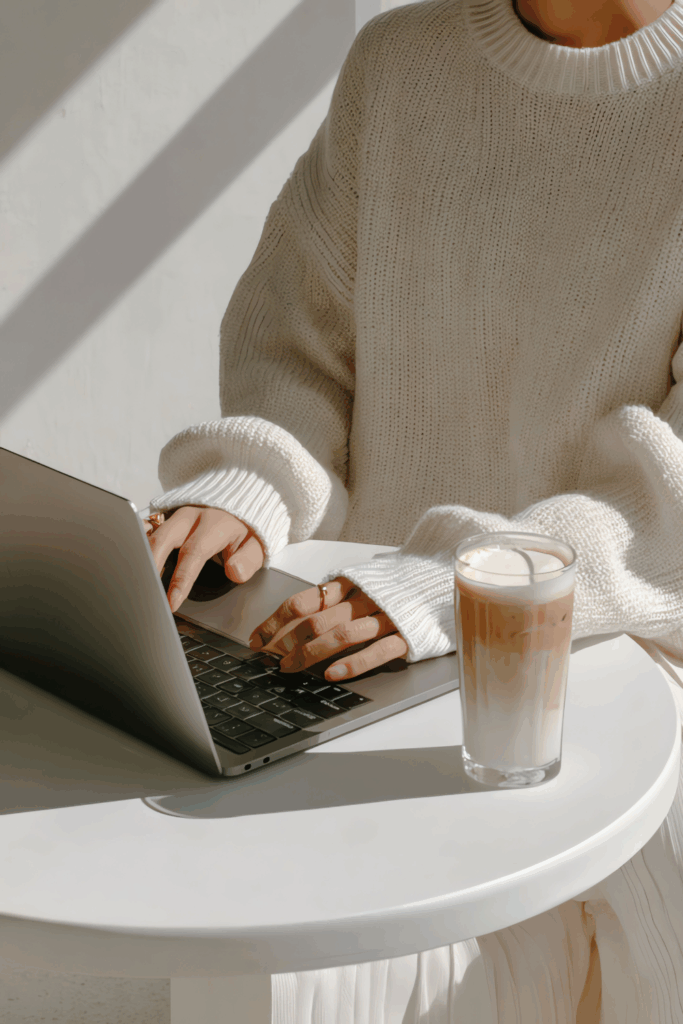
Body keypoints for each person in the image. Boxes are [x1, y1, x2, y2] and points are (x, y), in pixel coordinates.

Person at [145, 0, 683, 1017]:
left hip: (629, 658)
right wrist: (251, 486)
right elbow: (294, 347)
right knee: (253, 958)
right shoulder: (397, 69)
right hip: (363, 646)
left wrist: (454, 585)